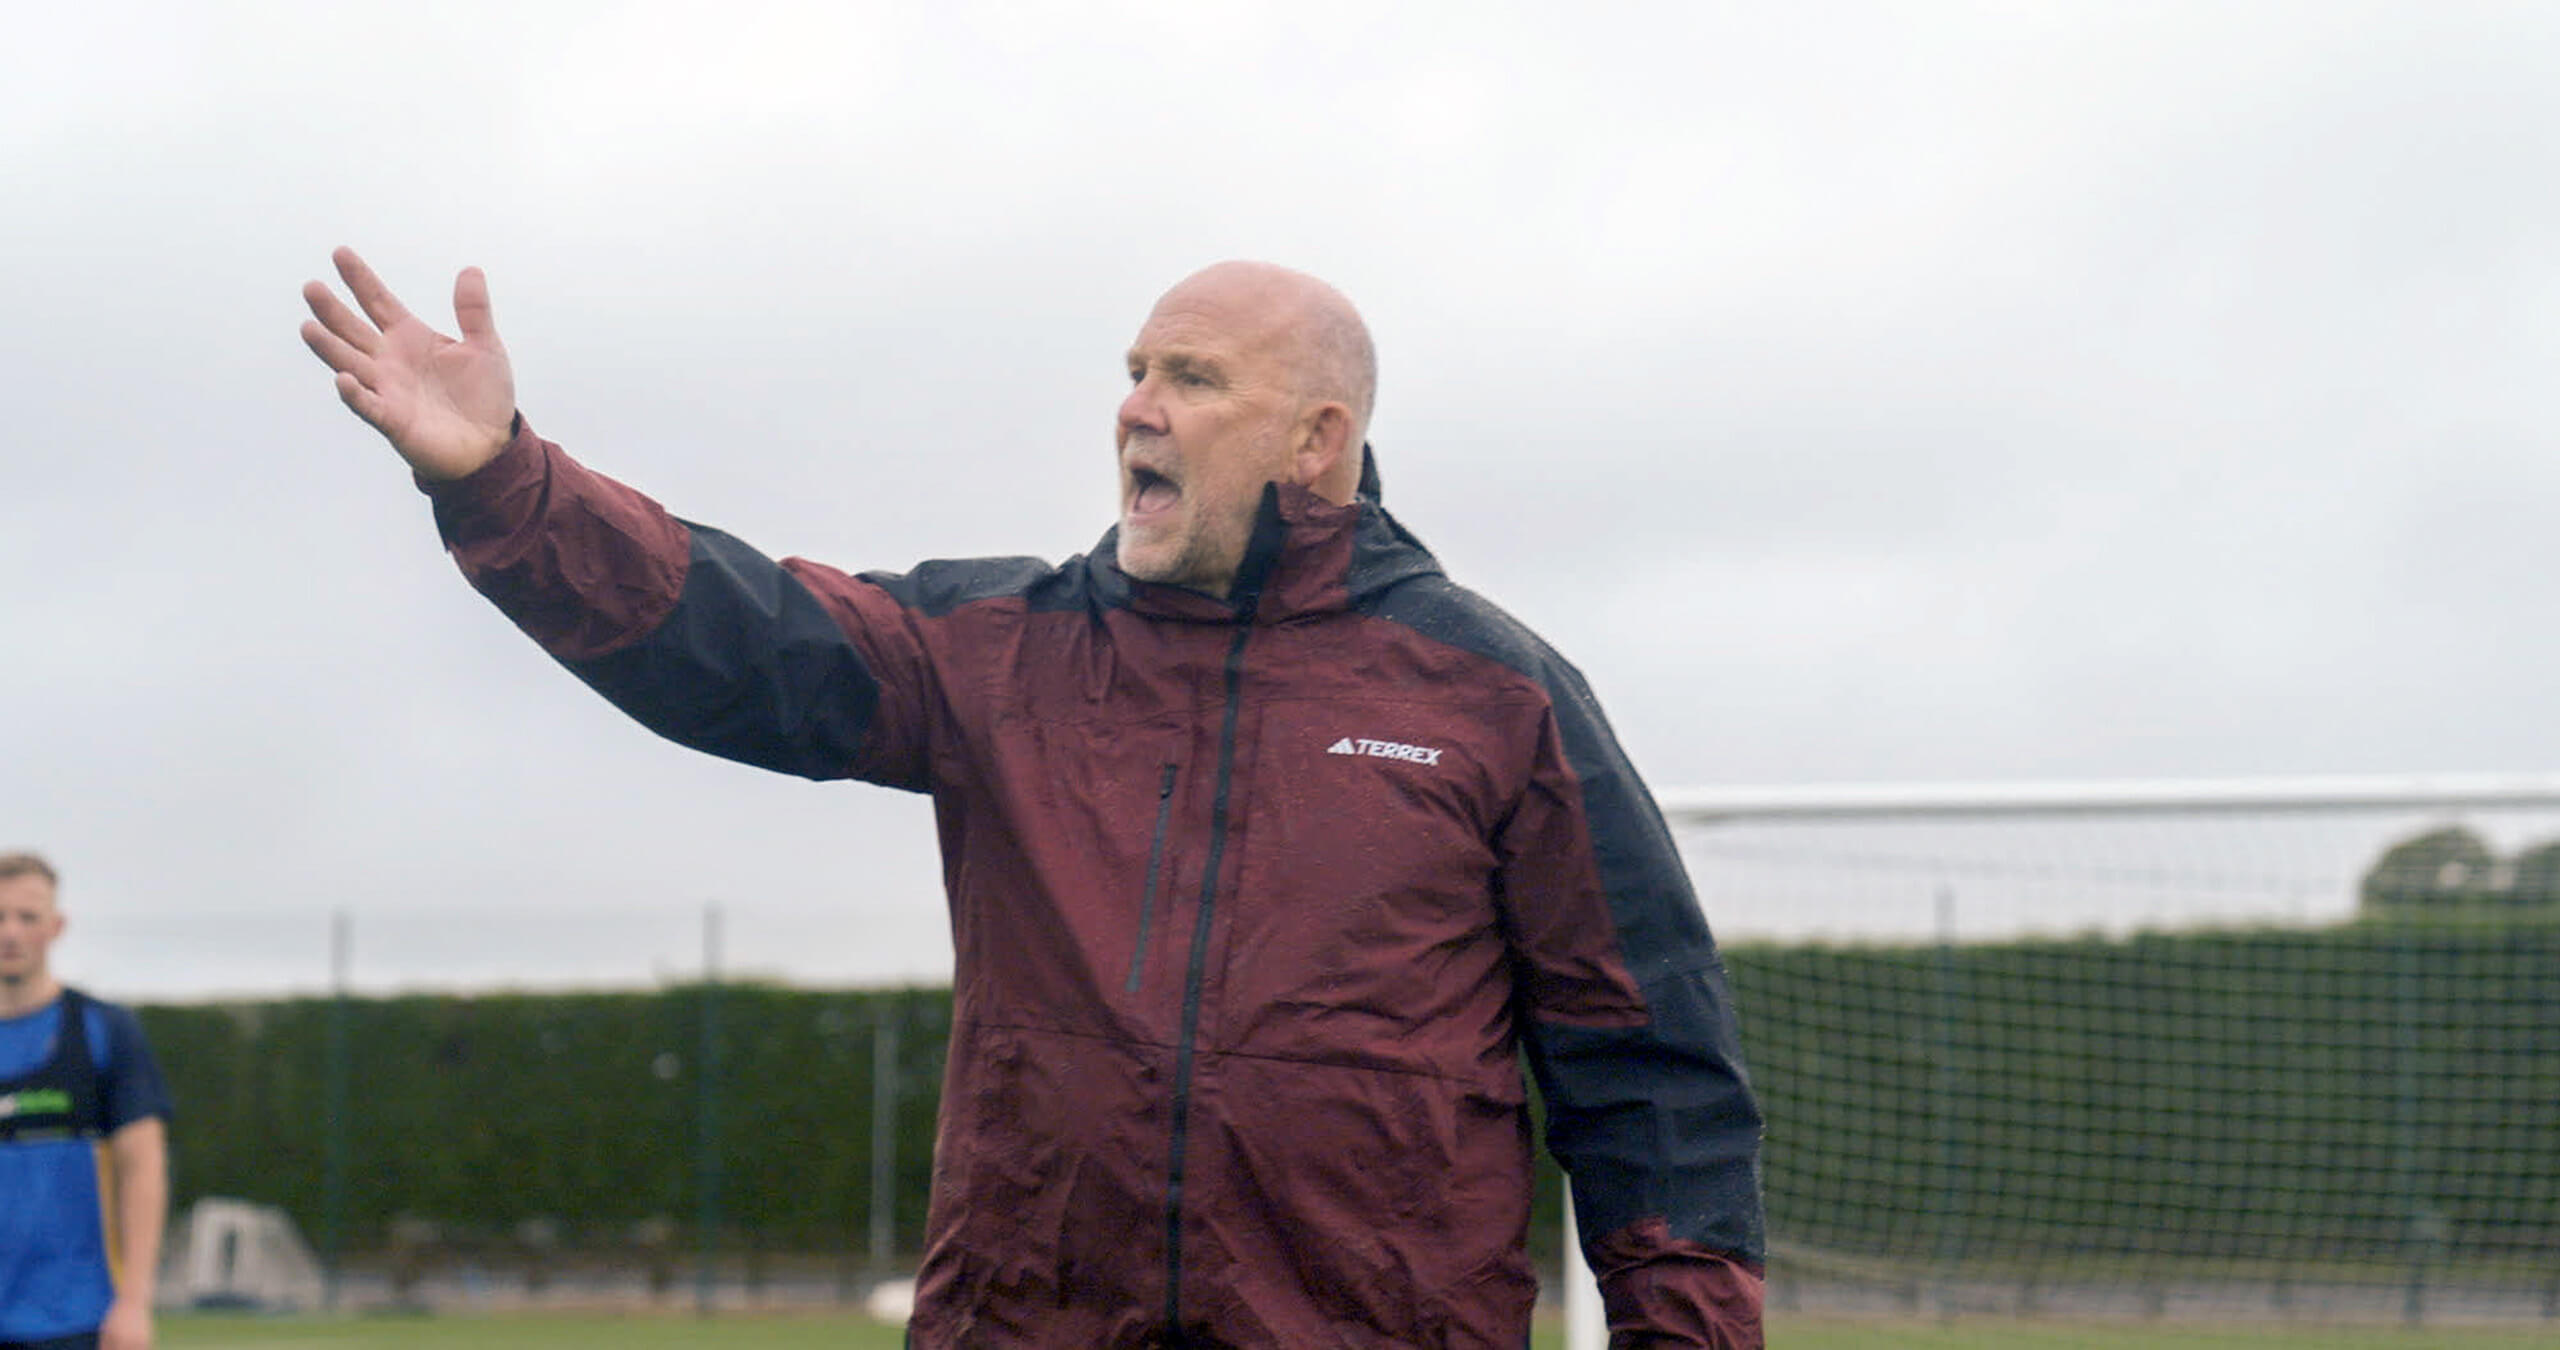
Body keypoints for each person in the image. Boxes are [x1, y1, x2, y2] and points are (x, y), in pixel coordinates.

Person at [299, 248, 1767, 1347]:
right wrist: (503, 481)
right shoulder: (1004, 653)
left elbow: (1652, 1073)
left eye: (1193, 379)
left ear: (1316, 440)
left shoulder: (1493, 693)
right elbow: (735, 636)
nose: (1138, 406)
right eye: (1135, 369)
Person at [0, 853, 171, 1350]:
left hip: (76, 1320)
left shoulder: (104, 1030)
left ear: (56, 926)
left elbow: (143, 1165)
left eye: (27, 917)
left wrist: (135, 1302)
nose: (10, 932)